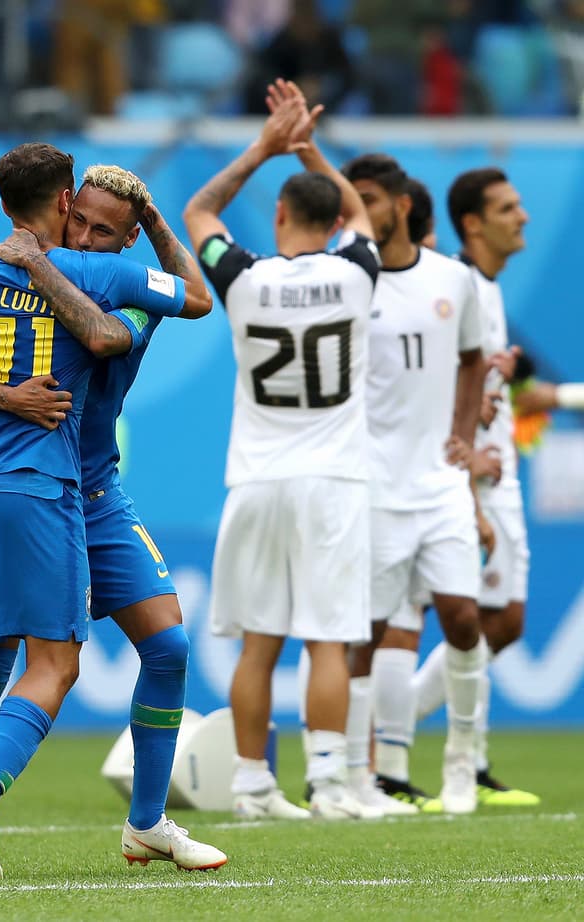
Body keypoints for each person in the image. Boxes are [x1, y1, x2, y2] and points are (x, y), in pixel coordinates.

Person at [0, 142, 190, 879]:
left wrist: (47, 262)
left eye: (103, 230)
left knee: (166, 647)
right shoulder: (60, 272)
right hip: (38, 484)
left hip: (80, 492)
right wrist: (11, 396)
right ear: (63, 204)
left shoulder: (98, 282)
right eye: (78, 219)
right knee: (10, 659)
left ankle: (143, 823)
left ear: (131, 236)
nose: (84, 236)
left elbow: (117, 329)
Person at [184, 80, 381, 820]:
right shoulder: (355, 272)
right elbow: (362, 214)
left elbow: (198, 212)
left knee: (258, 642)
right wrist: (309, 150)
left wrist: (263, 148)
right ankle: (327, 783)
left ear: (277, 215)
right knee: (328, 640)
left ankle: (250, 784)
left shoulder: (243, 277)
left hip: (259, 480)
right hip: (333, 479)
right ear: (333, 223)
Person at [332, 154, 488, 816]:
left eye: (368, 198)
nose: (359, 211)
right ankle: (356, 776)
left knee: (462, 616)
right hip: (373, 486)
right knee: (365, 635)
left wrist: (463, 437)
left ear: (401, 205)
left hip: (440, 483)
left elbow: (474, 358)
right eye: (351, 199)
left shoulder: (454, 278)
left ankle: (462, 762)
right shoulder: (346, 280)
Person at [392, 168, 542, 806]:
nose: (523, 216)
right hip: (467, 477)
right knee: (482, 618)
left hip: (491, 472)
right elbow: (446, 386)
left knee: (496, 620)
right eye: (509, 208)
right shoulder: (459, 287)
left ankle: (453, 751)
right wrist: (469, 469)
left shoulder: (486, 288)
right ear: (473, 223)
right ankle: (402, 738)